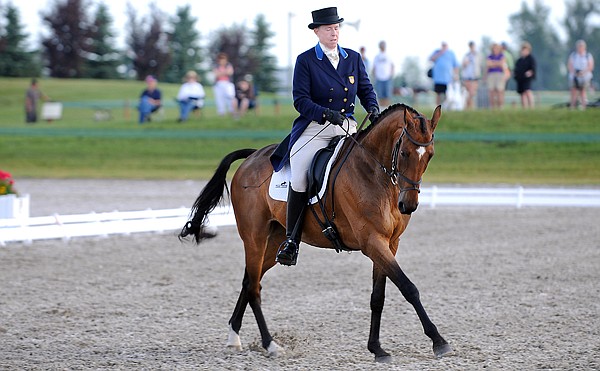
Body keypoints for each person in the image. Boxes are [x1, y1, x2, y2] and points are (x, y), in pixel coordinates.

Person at [270, 7, 379, 266]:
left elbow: (365, 88)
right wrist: (325, 114)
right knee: (299, 176)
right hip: (315, 127)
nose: (334, 32)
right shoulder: (306, 60)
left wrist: (373, 107)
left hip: (347, 127)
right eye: (329, 29)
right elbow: (301, 100)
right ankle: (291, 240)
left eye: (337, 28)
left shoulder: (352, 58)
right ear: (317, 31)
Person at [429, 41, 459, 106]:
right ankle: (437, 107)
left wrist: (456, 75)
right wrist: (441, 52)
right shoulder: (437, 52)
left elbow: (456, 65)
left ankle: (445, 106)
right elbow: (431, 59)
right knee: (438, 93)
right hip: (438, 78)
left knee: (447, 93)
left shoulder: (451, 53)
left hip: (447, 78)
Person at [567, 39, 595, 110]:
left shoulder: (588, 55)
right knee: (573, 90)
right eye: (579, 46)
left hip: (585, 76)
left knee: (582, 90)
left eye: (581, 46)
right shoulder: (573, 55)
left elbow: (590, 66)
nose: (580, 47)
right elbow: (570, 66)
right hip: (575, 76)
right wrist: (575, 73)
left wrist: (583, 72)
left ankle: (583, 106)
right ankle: (572, 106)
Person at [513, 41, 536, 109]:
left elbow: (533, 68)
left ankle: (531, 106)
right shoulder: (519, 60)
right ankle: (524, 107)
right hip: (520, 78)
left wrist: (531, 72)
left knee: (527, 91)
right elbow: (516, 69)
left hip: (527, 78)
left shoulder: (531, 59)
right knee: (522, 93)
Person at [371, 40, 394, 107]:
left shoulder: (388, 55)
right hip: (379, 78)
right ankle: (381, 108)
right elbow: (374, 67)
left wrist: (391, 75)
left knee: (387, 95)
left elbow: (392, 66)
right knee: (380, 95)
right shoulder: (377, 56)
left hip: (387, 78)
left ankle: (387, 108)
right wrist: (374, 76)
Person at [485, 43, 508, 109]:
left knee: (500, 91)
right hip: (491, 75)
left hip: (500, 74)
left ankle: (500, 107)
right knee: (491, 91)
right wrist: (497, 63)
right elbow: (488, 64)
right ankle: (492, 107)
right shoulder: (489, 56)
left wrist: (493, 63)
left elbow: (502, 64)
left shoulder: (502, 56)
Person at [460, 41, 481, 110]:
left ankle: (471, 107)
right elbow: (462, 65)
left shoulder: (477, 55)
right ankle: (468, 107)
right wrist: (465, 63)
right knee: (468, 93)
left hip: (474, 76)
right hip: (467, 77)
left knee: (472, 93)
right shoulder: (466, 55)